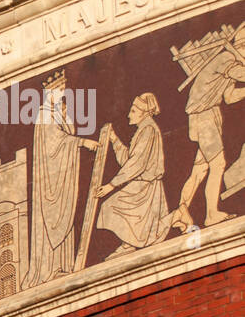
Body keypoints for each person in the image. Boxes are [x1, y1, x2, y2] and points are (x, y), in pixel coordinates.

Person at [23, 75, 100, 288]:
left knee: (65, 213)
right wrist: (83, 142)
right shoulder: (45, 115)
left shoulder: (56, 112)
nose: (63, 94)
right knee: (53, 217)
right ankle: (50, 268)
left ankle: (63, 264)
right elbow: (57, 142)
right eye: (60, 90)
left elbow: (65, 135)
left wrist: (66, 118)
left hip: (61, 177)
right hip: (51, 180)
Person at [174, 23, 245, 228]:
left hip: (208, 115)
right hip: (203, 116)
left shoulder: (230, 62)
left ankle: (181, 210)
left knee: (200, 170)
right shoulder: (226, 59)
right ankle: (211, 215)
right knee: (218, 164)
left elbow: (229, 97)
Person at [94, 93, 175, 257]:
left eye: (133, 111)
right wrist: (114, 140)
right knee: (142, 227)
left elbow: (136, 164)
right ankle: (129, 243)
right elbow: (129, 160)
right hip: (139, 184)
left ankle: (177, 216)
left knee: (111, 207)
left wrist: (112, 185)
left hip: (145, 186)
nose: (129, 114)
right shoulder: (143, 130)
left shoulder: (148, 130)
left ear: (143, 113)